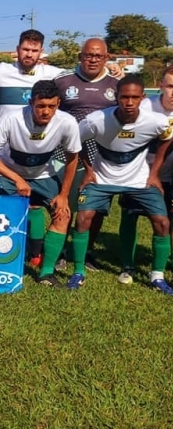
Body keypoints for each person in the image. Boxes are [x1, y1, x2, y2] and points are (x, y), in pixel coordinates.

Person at [71, 74, 173, 292]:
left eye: (134, 98)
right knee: (82, 218)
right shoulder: (95, 120)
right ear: (116, 97)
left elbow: (166, 139)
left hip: (138, 180)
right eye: (124, 97)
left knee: (163, 223)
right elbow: (74, 142)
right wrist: (88, 171)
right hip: (101, 178)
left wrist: (154, 173)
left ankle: (157, 276)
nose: (129, 102)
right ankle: (78, 271)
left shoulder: (155, 121)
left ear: (142, 98)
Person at [0, 80, 81, 287]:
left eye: (51, 106)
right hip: (9, 174)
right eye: (41, 106)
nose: (46, 112)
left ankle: (46, 272)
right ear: (30, 102)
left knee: (63, 215)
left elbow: (72, 159)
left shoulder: (67, 122)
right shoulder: (12, 118)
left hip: (43, 175)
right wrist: (16, 179)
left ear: (58, 103)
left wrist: (63, 194)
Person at [54, 38, 120, 270]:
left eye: (98, 56)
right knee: (66, 203)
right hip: (68, 155)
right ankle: (60, 249)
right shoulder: (63, 81)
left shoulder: (116, 83)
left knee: (96, 207)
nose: (93, 60)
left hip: (104, 157)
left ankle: (88, 251)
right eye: (88, 55)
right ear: (80, 56)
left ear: (106, 57)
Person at [116, 65, 173, 284]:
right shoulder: (145, 107)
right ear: (160, 86)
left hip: (170, 176)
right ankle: (127, 264)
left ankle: (161, 266)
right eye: (170, 86)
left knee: (167, 221)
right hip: (139, 176)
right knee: (130, 216)